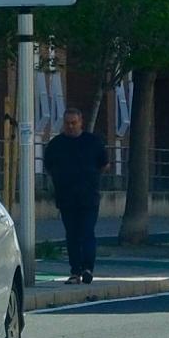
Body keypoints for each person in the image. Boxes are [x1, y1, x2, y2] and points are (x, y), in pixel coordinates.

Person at [43, 107, 108, 284]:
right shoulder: (56, 144)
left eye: (74, 123)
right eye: (67, 123)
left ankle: (88, 268)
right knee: (72, 234)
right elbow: (48, 166)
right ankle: (75, 271)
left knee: (87, 232)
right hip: (66, 197)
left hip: (89, 196)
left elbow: (104, 164)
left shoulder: (92, 142)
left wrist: (91, 178)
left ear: (81, 122)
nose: (70, 126)